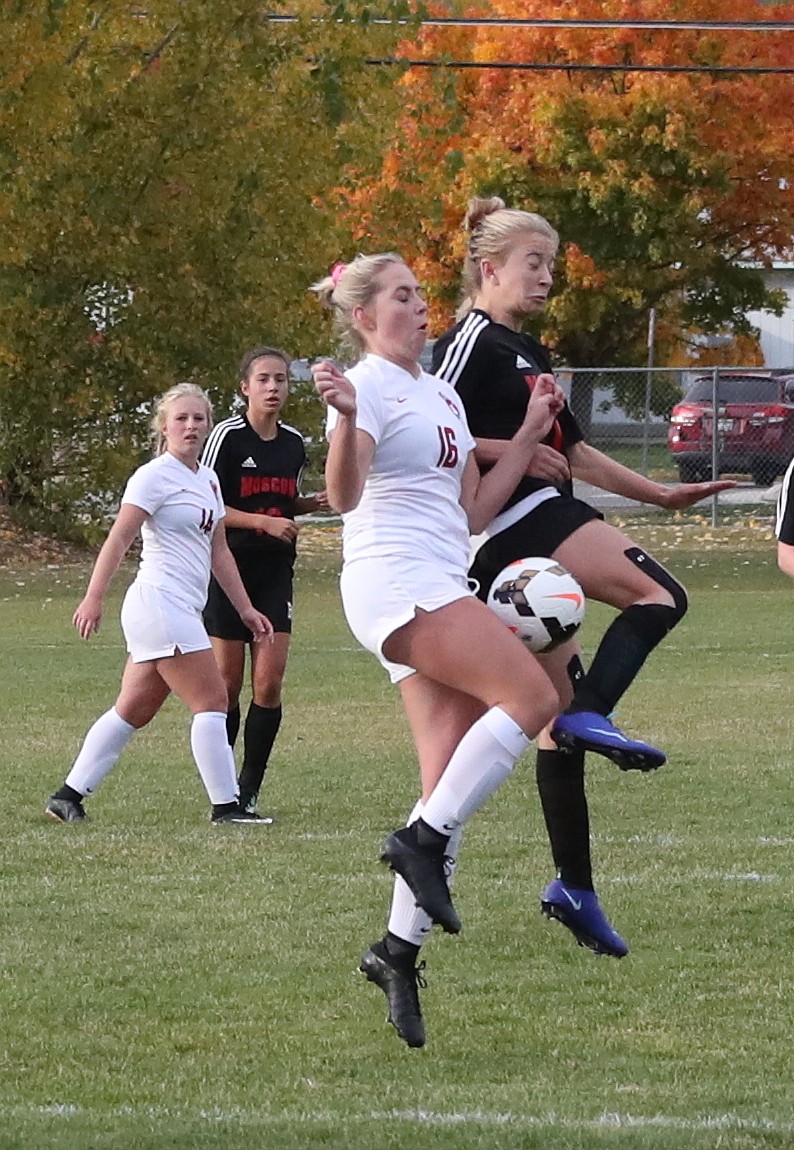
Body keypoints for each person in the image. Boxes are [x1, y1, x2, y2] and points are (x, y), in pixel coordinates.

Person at [433, 196, 735, 957]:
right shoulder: (467, 343)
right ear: (488, 267)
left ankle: (573, 886)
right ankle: (591, 711)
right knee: (659, 594)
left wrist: (660, 492)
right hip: (509, 525)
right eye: (533, 264)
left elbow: (573, 452)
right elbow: (429, 435)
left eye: (550, 266)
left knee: (552, 729)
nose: (545, 278)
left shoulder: (523, 348)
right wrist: (512, 447)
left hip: (538, 520)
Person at [310, 252, 566, 1049]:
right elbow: (344, 497)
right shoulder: (369, 387)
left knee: (444, 780)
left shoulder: (440, 392)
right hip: (396, 582)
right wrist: (348, 416)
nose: (421, 308)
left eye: (422, 295)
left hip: (438, 571)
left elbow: (473, 512)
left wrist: (524, 436)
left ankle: (395, 952)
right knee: (534, 701)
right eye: (400, 297)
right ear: (363, 317)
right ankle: (414, 845)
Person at [45, 382, 274, 826]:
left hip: (180, 608)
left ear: (208, 424)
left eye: (199, 418)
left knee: (133, 709)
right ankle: (227, 808)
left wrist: (245, 608)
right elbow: (119, 538)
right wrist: (93, 597)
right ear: (164, 426)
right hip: (158, 602)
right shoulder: (153, 476)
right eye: (181, 418)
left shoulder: (206, 478)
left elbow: (219, 552)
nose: (191, 426)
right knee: (212, 699)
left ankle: (66, 796)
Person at [201, 347, 328, 819]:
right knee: (226, 687)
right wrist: (261, 523)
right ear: (245, 388)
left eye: (281, 380)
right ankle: (222, 788)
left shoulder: (294, 442)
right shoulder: (226, 438)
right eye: (263, 379)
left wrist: (310, 504)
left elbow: (283, 503)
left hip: (275, 573)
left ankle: (249, 787)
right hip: (229, 571)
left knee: (268, 685)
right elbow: (209, 505)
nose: (273, 387)